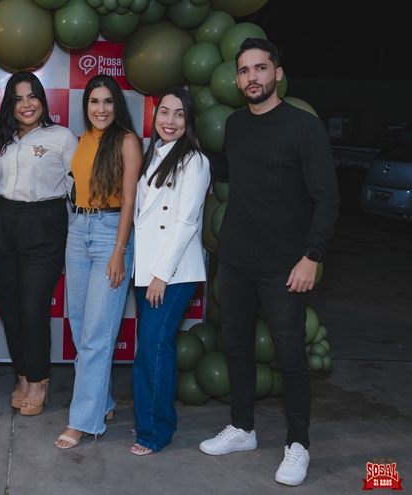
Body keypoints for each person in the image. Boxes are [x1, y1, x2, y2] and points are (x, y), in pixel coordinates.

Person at [198, 38, 339, 486]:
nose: (251, 77)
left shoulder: (304, 127)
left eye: (260, 68)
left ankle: (298, 444)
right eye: (244, 70)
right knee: (236, 346)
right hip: (236, 260)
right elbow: (235, 175)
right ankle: (242, 428)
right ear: (237, 79)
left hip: (285, 265)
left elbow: (327, 198)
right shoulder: (236, 125)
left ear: (277, 73)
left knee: (291, 356)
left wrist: (311, 256)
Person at [55, 75, 141, 449]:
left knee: (95, 334)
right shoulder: (83, 140)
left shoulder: (127, 141)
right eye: (94, 101)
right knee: (80, 329)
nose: (101, 109)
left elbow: (130, 199)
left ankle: (83, 422)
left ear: (116, 105)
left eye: (107, 101)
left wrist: (119, 249)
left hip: (110, 233)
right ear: (86, 105)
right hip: (78, 230)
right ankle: (102, 403)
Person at [0, 72, 78, 416]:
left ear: (42, 99)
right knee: (8, 306)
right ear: (9, 104)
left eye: (32, 96)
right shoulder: (0, 138)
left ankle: (39, 379)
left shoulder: (62, 137)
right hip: (2, 219)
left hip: (44, 221)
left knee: (33, 307)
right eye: (18, 98)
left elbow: (77, 188)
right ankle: (23, 374)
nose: (26, 104)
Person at [129, 87, 210, 456]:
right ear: (155, 115)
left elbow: (185, 224)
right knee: (149, 348)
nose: (171, 120)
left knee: (155, 347)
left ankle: (154, 431)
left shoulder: (194, 161)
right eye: (164, 112)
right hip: (146, 268)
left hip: (173, 272)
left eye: (179, 113)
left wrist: (161, 275)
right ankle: (150, 415)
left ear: (189, 120)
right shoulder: (153, 154)